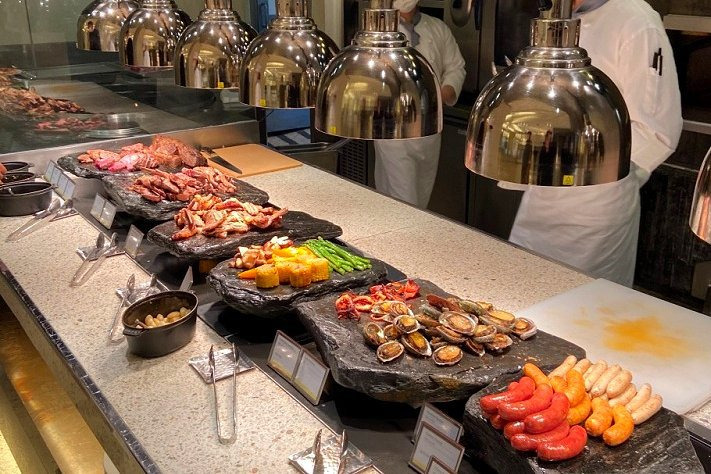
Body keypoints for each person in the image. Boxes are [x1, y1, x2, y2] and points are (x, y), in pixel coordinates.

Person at [507, 0, 682, 286]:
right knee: (517, 289)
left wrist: (583, 165)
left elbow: (657, 130)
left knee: (579, 302)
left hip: (595, 210)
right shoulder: (557, 18)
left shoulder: (636, 21)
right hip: (540, 199)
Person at [373, 0, 466, 208]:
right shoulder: (379, 32)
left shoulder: (438, 28)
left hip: (430, 128)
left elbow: (456, 67)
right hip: (394, 129)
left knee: (421, 198)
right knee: (405, 200)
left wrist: (442, 94)